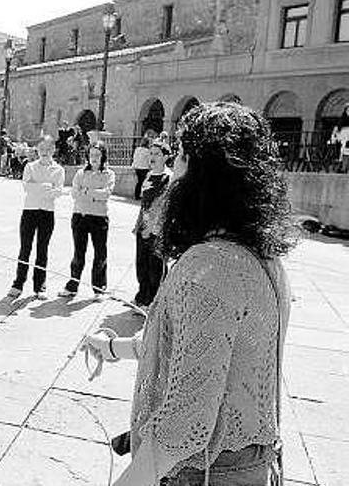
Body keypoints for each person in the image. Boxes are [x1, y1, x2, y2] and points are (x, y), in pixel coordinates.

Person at [83, 102, 295, 486]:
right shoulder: (262, 259)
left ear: (204, 176)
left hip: (201, 472)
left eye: (181, 157)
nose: (173, 171)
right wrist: (114, 347)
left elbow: (186, 422)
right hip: (252, 463)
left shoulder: (208, 270)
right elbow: (200, 350)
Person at [7, 135, 65, 300]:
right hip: (30, 211)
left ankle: (40, 285)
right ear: (37, 150)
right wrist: (47, 187)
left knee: (42, 249)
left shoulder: (59, 170)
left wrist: (39, 187)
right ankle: (18, 283)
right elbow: (27, 187)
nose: (45, 152)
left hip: (47, 212)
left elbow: (58, 191)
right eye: (42, 149)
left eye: (48, 149)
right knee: (25, 248)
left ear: (53, 150)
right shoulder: (30, 167)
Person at [58, 140, 115, 299]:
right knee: (78, 253)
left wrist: (87, 191)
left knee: (100, 254)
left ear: (103, 156)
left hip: (99, 218)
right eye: (91, 155)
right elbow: (74, 193)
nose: (94, 158)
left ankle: (99, 288)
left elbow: (106, 194)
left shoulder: (109, 174)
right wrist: (94, 193)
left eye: (97, 155)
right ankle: (72, 286)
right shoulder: (81, 173)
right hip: (80, 217)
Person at [131, 140, 172, 310]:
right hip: (144, 227)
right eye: (151, 153)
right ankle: (142, 296)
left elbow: (161, 206)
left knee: (155, 267)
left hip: (157, 230)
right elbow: (144, 205)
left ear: (165, 157)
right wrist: (140, 225)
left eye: (156, 154)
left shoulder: (168, 178)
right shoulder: (148, 175)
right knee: (141, 263)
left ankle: (154, 300)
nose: (152, 157)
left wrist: (152, 228)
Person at [329, 103, 349, 173]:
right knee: (344, 150)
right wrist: (333, 135)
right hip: (344, 136)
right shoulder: (342, 119)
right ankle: (342, 166)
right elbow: (337, 127)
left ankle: (344, 167)